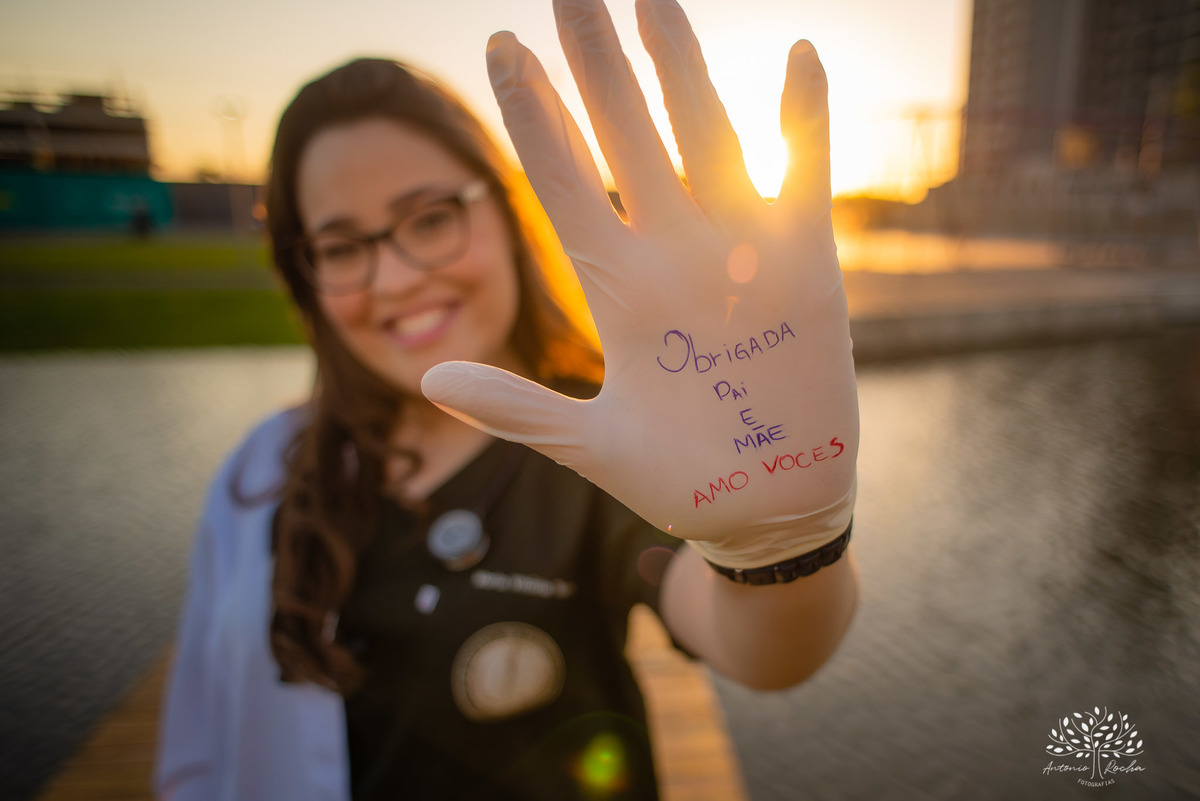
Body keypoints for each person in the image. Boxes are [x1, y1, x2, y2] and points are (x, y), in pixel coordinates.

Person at [154, 0, 860, 799]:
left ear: (508, 211)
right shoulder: (258, 474)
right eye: (343, 246)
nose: (395, 277)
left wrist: (784, 549)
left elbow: (765, 652)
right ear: (305, 273)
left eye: (429, 218)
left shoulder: (610, 443)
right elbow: (198, 745)